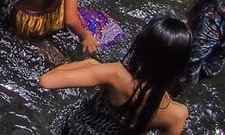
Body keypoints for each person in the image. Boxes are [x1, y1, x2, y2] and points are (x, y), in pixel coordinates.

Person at [40, 16, 191, 135]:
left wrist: (88, 64)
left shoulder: (116, 74)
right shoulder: (177, 114)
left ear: (142, 46)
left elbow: (47, 81)